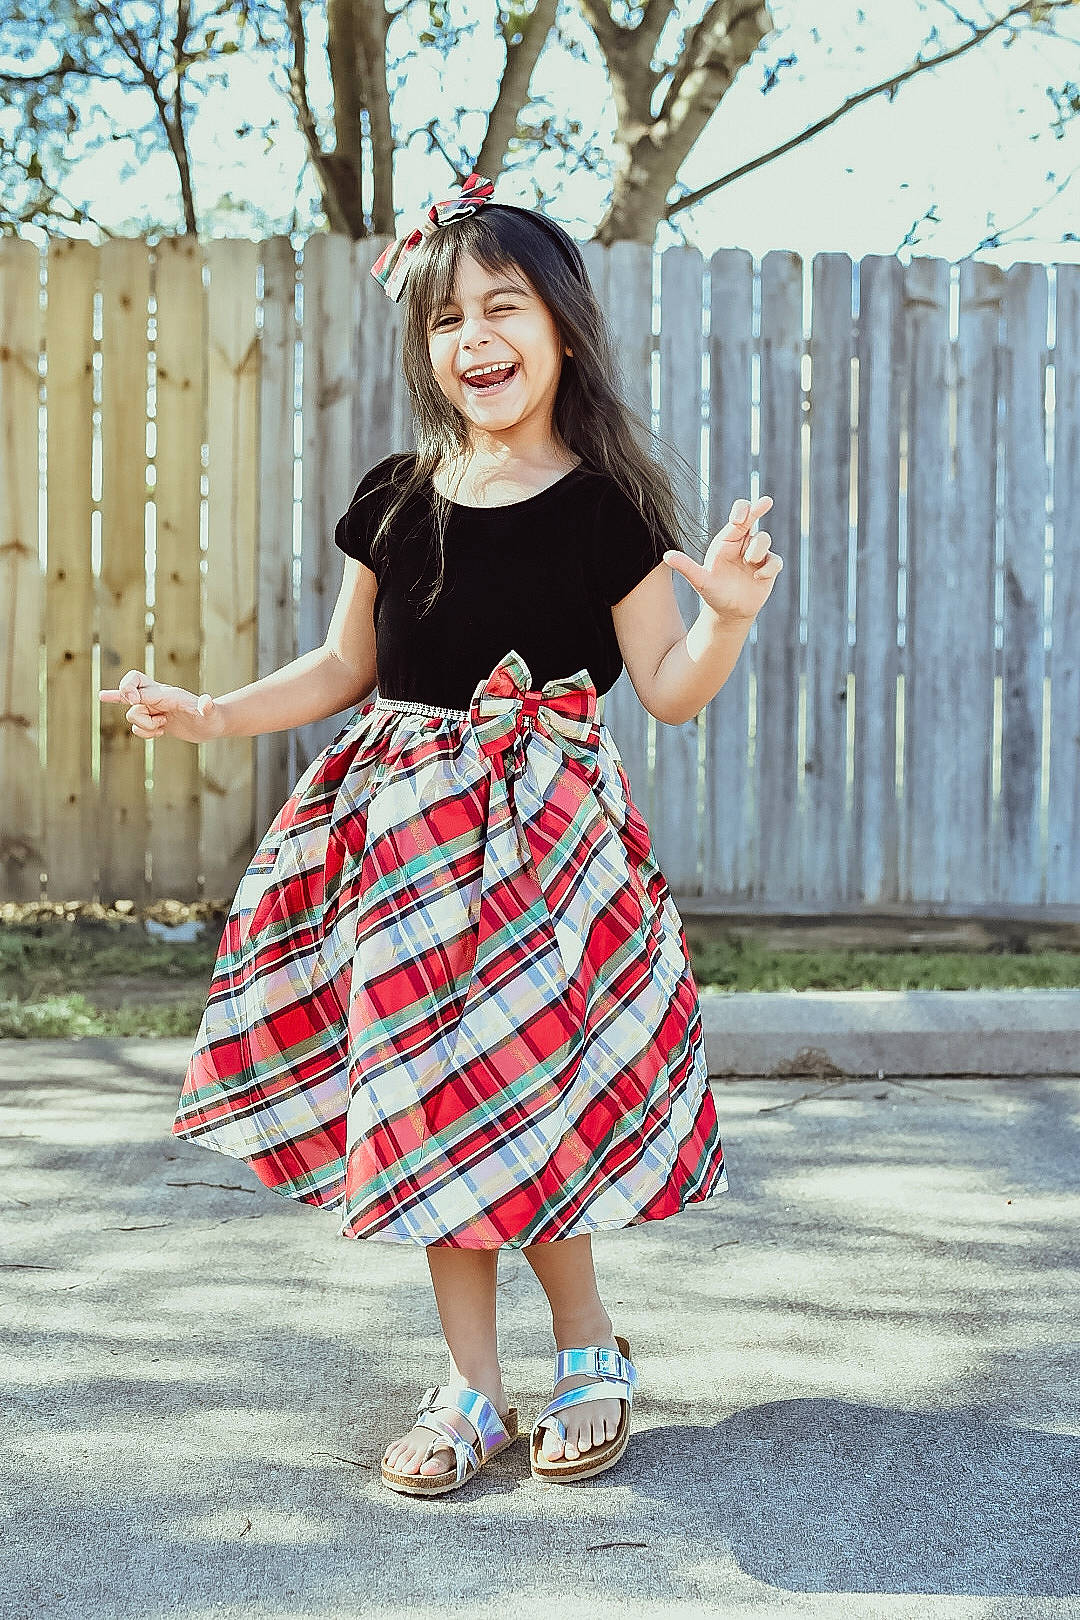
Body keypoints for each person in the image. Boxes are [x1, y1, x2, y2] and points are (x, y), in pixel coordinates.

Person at [99, 173, 782, 1499]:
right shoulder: (394, 499)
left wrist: (733, 616)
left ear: (562, 330)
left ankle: (588, 1349)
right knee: (427, 1111)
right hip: (406, 861)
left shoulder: (605, 510)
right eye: (446, 316)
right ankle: (472, 1385)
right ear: (424, 345)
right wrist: (213, 711)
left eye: (503, 306)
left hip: (547, 863)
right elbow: (343, 667)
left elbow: (673, 688)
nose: (474, 336)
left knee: (532, 1102)